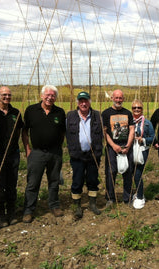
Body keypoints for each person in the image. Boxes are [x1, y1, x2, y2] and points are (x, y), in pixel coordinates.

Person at [22, 85, 66, 223]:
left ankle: (54, 205)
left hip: (55, 153)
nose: (50, 97)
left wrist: (58, 147)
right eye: (47, 94)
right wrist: (28, 149)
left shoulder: (60, 112)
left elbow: (63, 131)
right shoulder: (31, 110)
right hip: (37, 153)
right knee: (33, 183)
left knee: (54, 181)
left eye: (53, 95)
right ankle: (29, 210)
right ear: (41, 96)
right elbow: (24, 131)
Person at [66, 91, 103, 219]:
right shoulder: (70, 116)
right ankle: (77, 206)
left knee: (93, 180)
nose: (83, 103)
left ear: (89, 102)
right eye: (81, 101)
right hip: (77, 155)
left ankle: (92, 204)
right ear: (77, 103)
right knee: (77, 180)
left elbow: (105, 132)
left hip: (93, 155)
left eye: (86, 101)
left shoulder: (97, 115)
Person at [0, 86, 23, 227]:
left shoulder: (16, 112)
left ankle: (11, 212)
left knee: (11, 184)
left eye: (9, 95)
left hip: (13, 154)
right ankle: (1, 215)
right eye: (4, 95)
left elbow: (22, 131)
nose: (7, 97)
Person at [102, 89, 134, 208]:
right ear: (112, 98)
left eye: (120, 98)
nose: (118, 100)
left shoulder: (128, 113)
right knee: (111, 172)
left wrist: (128, 146)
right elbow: (105, 132)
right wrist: (114, 146)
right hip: (112, 147)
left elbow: (131, 130)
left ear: (123, 99)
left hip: (126, 146)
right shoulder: (106, 113)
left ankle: (127, 198)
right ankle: (110, 198)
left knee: (128, 171)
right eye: (116, 98)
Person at [131, 99, 155, 209]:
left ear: (142, 109)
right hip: (130, 150)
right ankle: (134, 193)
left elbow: (153, 138)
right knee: (130, 173)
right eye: (134, 107)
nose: (136, 109)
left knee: (138, 173)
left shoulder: (147, 123)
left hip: (142, 150)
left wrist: (143, 140)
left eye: (139, 107)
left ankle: (140, 196)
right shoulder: (127, 121)